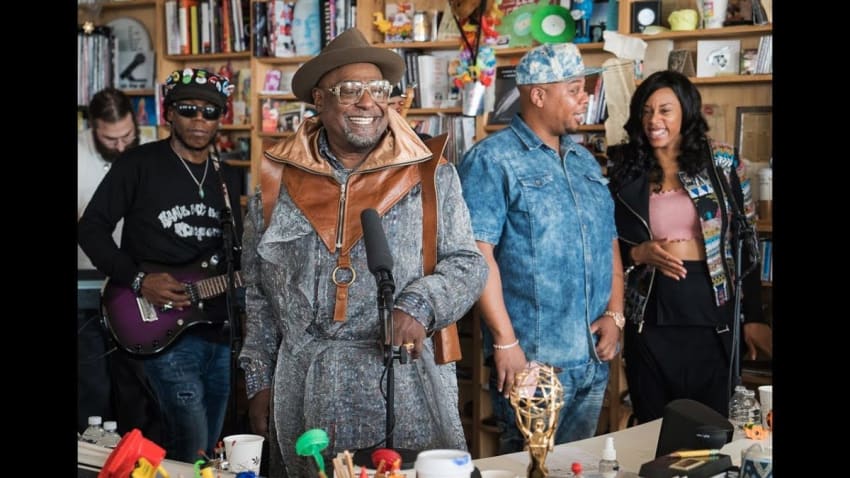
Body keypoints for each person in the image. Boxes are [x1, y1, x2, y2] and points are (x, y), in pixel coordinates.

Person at [238, 28, 488, 476]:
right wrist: (258, 382)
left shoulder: (430, 173)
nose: (368, 102)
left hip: (402, 381)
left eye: (378, 89)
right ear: (319, 98)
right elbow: (257, 293)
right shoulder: (278, 181)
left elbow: (467, 263)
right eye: (350, 90)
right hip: (304, 387)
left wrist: (419, 304)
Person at [457, 42, 624, 454]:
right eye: (574, 89)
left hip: (592, 360)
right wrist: (505, 342)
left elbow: (609, 241)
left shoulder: (584, 161)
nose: (585, 98)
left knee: (575, 464)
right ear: (538, 94)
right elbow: (479, 256)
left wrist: (615, 314)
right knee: (531, 466)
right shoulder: (491, 160)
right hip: (533, 363)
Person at [78, 68, 244, 462]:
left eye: (211, 111)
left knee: (210, 440)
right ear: (169, 112)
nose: (200, 120)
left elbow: (237, 253)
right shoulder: (138, 164)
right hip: (156, 323)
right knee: (192, 439)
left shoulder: (228, 177)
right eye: (188, 109)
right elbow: (91, 229)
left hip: (215, 326)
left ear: (222, 116)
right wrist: (137, 280)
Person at [606, 70, 772, 423]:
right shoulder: (625, 167)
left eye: (665, 110)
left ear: (686, 112)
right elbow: (605, 243)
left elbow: (747, 242)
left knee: (709, 426)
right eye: (647, 111)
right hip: (648, 311)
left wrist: (754, 317)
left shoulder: (723, 163)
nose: (654, 120)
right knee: (651, 426)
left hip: (712, 309)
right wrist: (638, 253)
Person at [78, 87, 142, 434]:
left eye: (127, 136)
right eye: (110, 139)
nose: (120, 146)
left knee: (134, 385)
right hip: (84, 286)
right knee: (92, 386)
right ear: (93, 129)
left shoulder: (148, 150)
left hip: (135, 287)